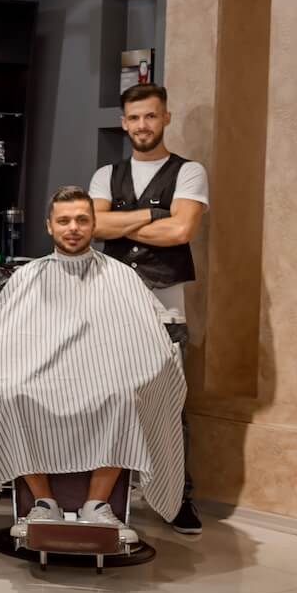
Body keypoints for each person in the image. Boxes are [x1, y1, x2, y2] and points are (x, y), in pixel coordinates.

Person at [0, 186, 186, 536]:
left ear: (94, 224)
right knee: (11, 393)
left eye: (82, 220)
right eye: (64, 221)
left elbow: (147, 338)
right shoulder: (27, 276)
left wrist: (144, 366)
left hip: (105, 376)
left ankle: (98, 504)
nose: (73, 228)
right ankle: (43, 503)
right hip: (37, 377)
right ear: (50, 226)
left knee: (124, 397)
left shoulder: (121, 276)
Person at [88, 83, 208, 534]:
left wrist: (121, 224)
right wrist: (155, 216)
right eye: (135, 117)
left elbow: (181, 232)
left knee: (168, 405)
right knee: (107, 400)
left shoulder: (189, 172)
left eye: (151, 116)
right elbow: (93, 226)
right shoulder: (106, 174)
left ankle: (178, 499)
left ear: (166, 118)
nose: (143, 125)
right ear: (124, 123)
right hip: (112, 305)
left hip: (164, 308)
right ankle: (102, 498)